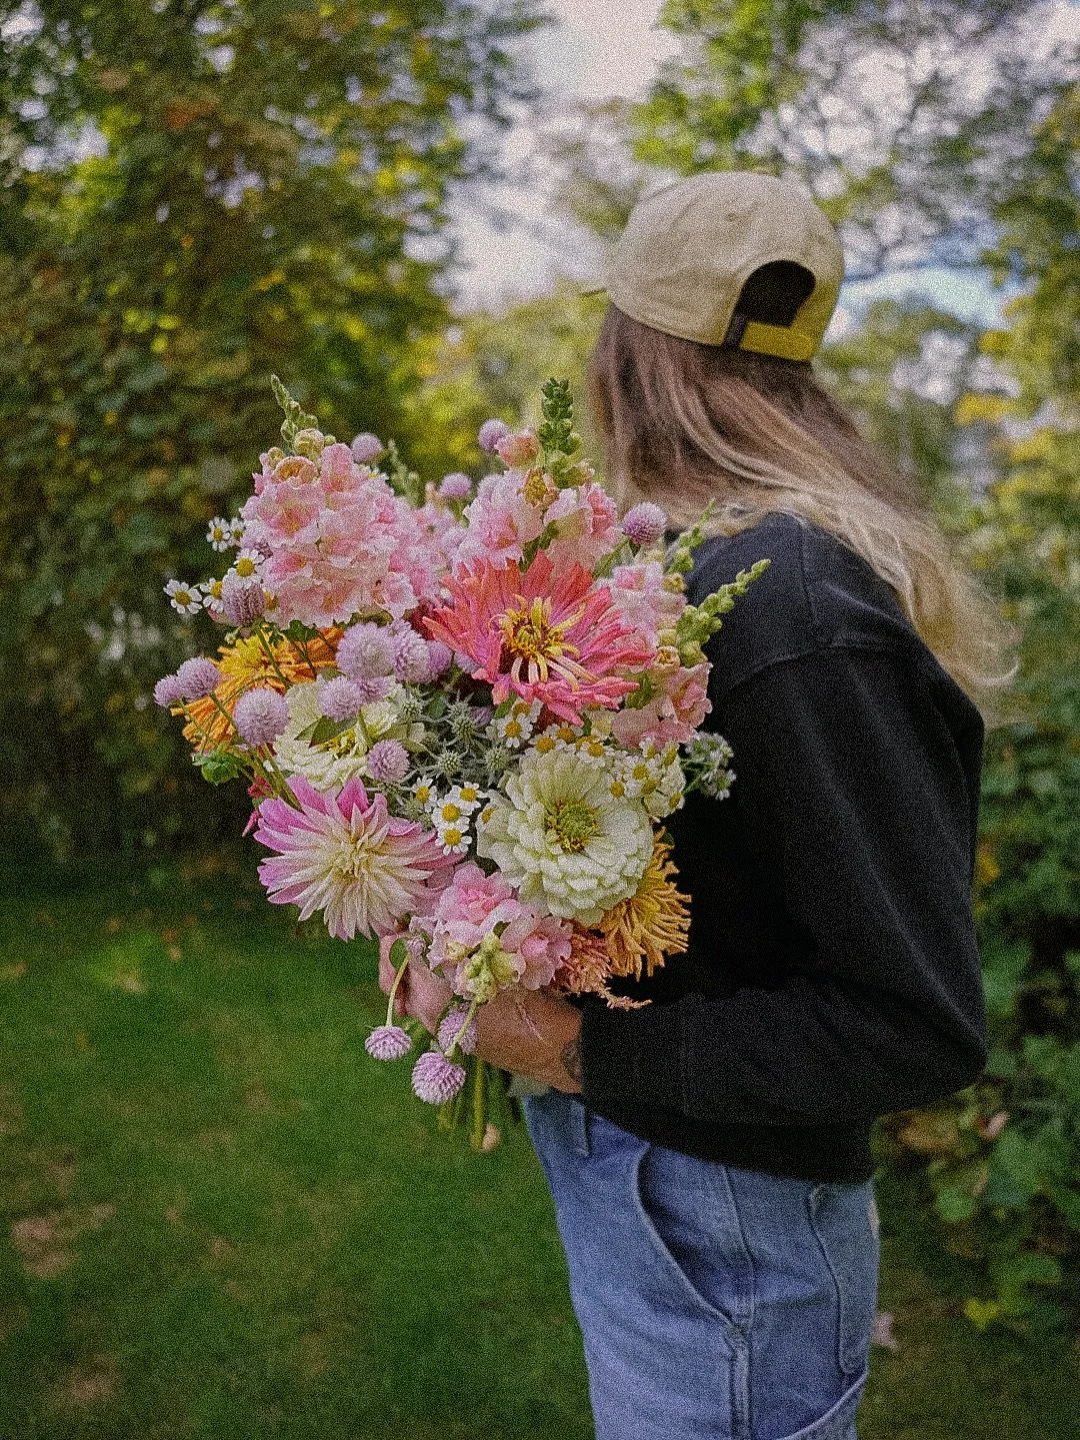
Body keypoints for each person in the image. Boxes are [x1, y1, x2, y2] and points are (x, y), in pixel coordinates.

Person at [379, 170, 1013, 1440]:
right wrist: (467, 915)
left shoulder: (794, 610)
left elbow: (911, 1021)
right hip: (670, 1186)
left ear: (625, 356)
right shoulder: (680, 574)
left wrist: (572, 1048)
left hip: (723, 1220)